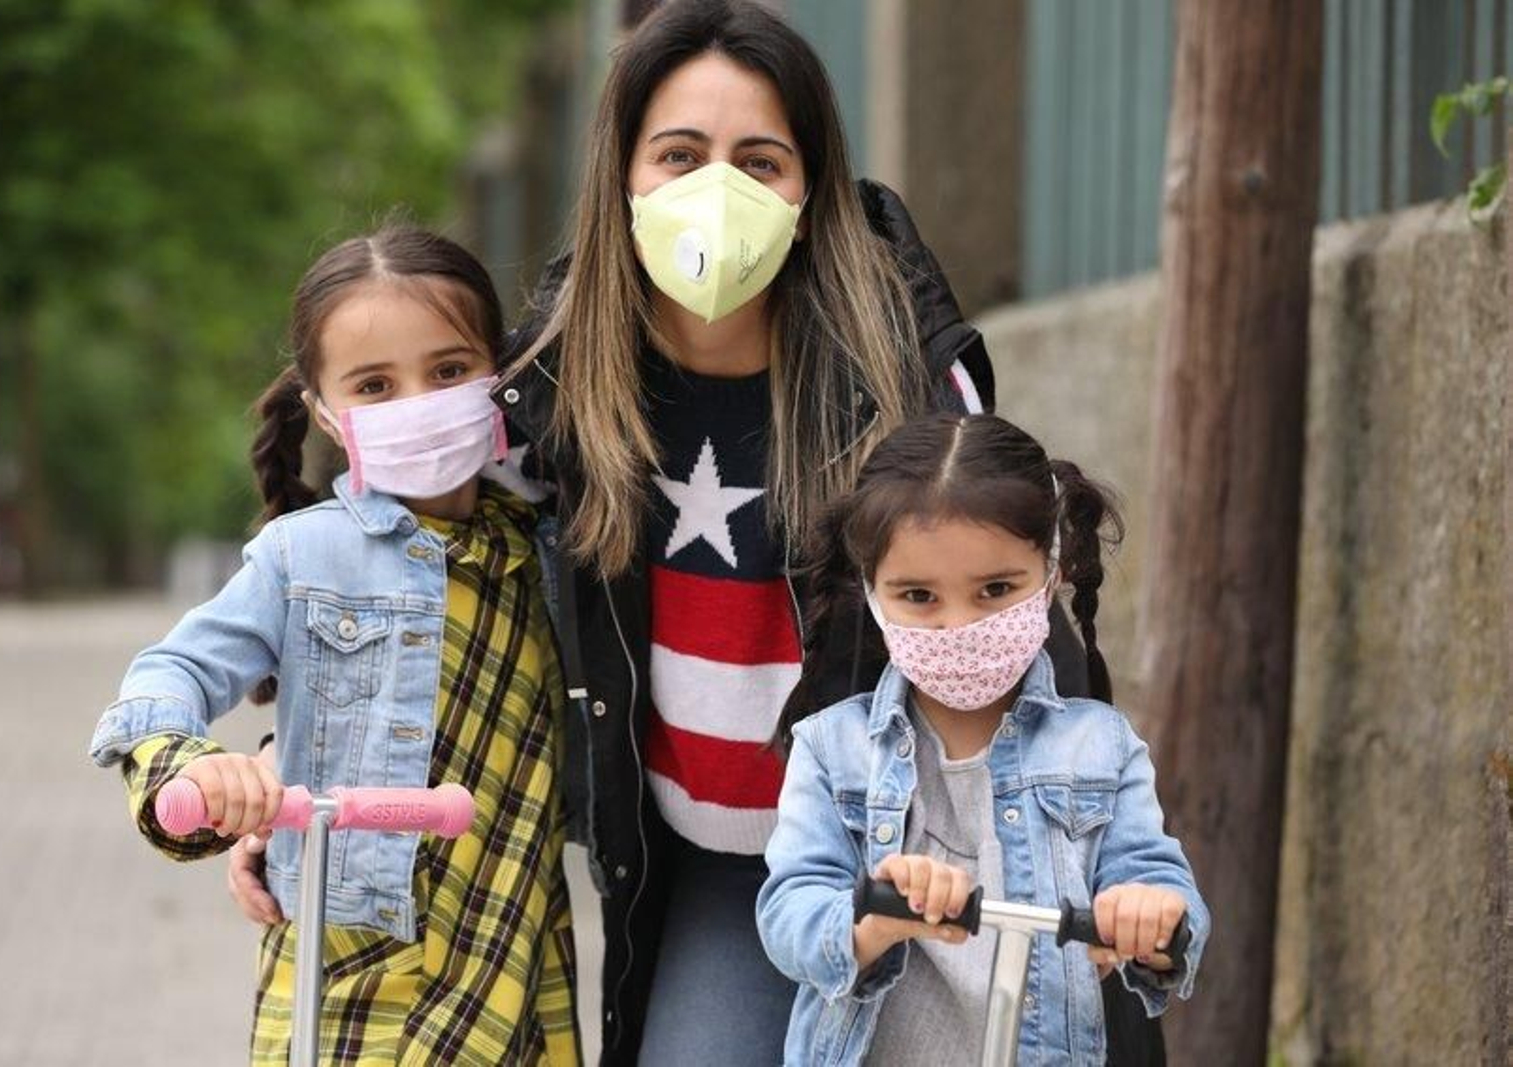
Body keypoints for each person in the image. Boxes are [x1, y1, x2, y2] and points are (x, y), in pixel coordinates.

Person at [229, 3, 1160, 1062]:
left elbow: (1009, 619)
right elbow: (413, 586)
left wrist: (1106, 854)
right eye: (678, 155)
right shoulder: (544, 397)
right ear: (621, 178)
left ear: (809, 193)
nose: (718, 189)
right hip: (721, 866)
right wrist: (297, 760)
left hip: (926, 849)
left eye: (759, 161)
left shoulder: (908, 387)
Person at [87, 226, 579, 1066]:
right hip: (350, 976)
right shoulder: (303, 555)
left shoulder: (548, 548)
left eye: (449, 371)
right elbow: (172, 671)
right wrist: (195, 767)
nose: (418, 401)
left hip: (509, 962)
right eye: (375, 385)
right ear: (324, 411)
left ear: (497, 377)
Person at [757, 412, 1210, 1065]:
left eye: (995, 589)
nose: (958, 626)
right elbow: (789, 909)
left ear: (1050, 574)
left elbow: (1161, 886)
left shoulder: (1101, 748)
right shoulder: (833, 751)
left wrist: (1150, 914)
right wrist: (870, 918)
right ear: (873, 594)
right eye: (919, 595)